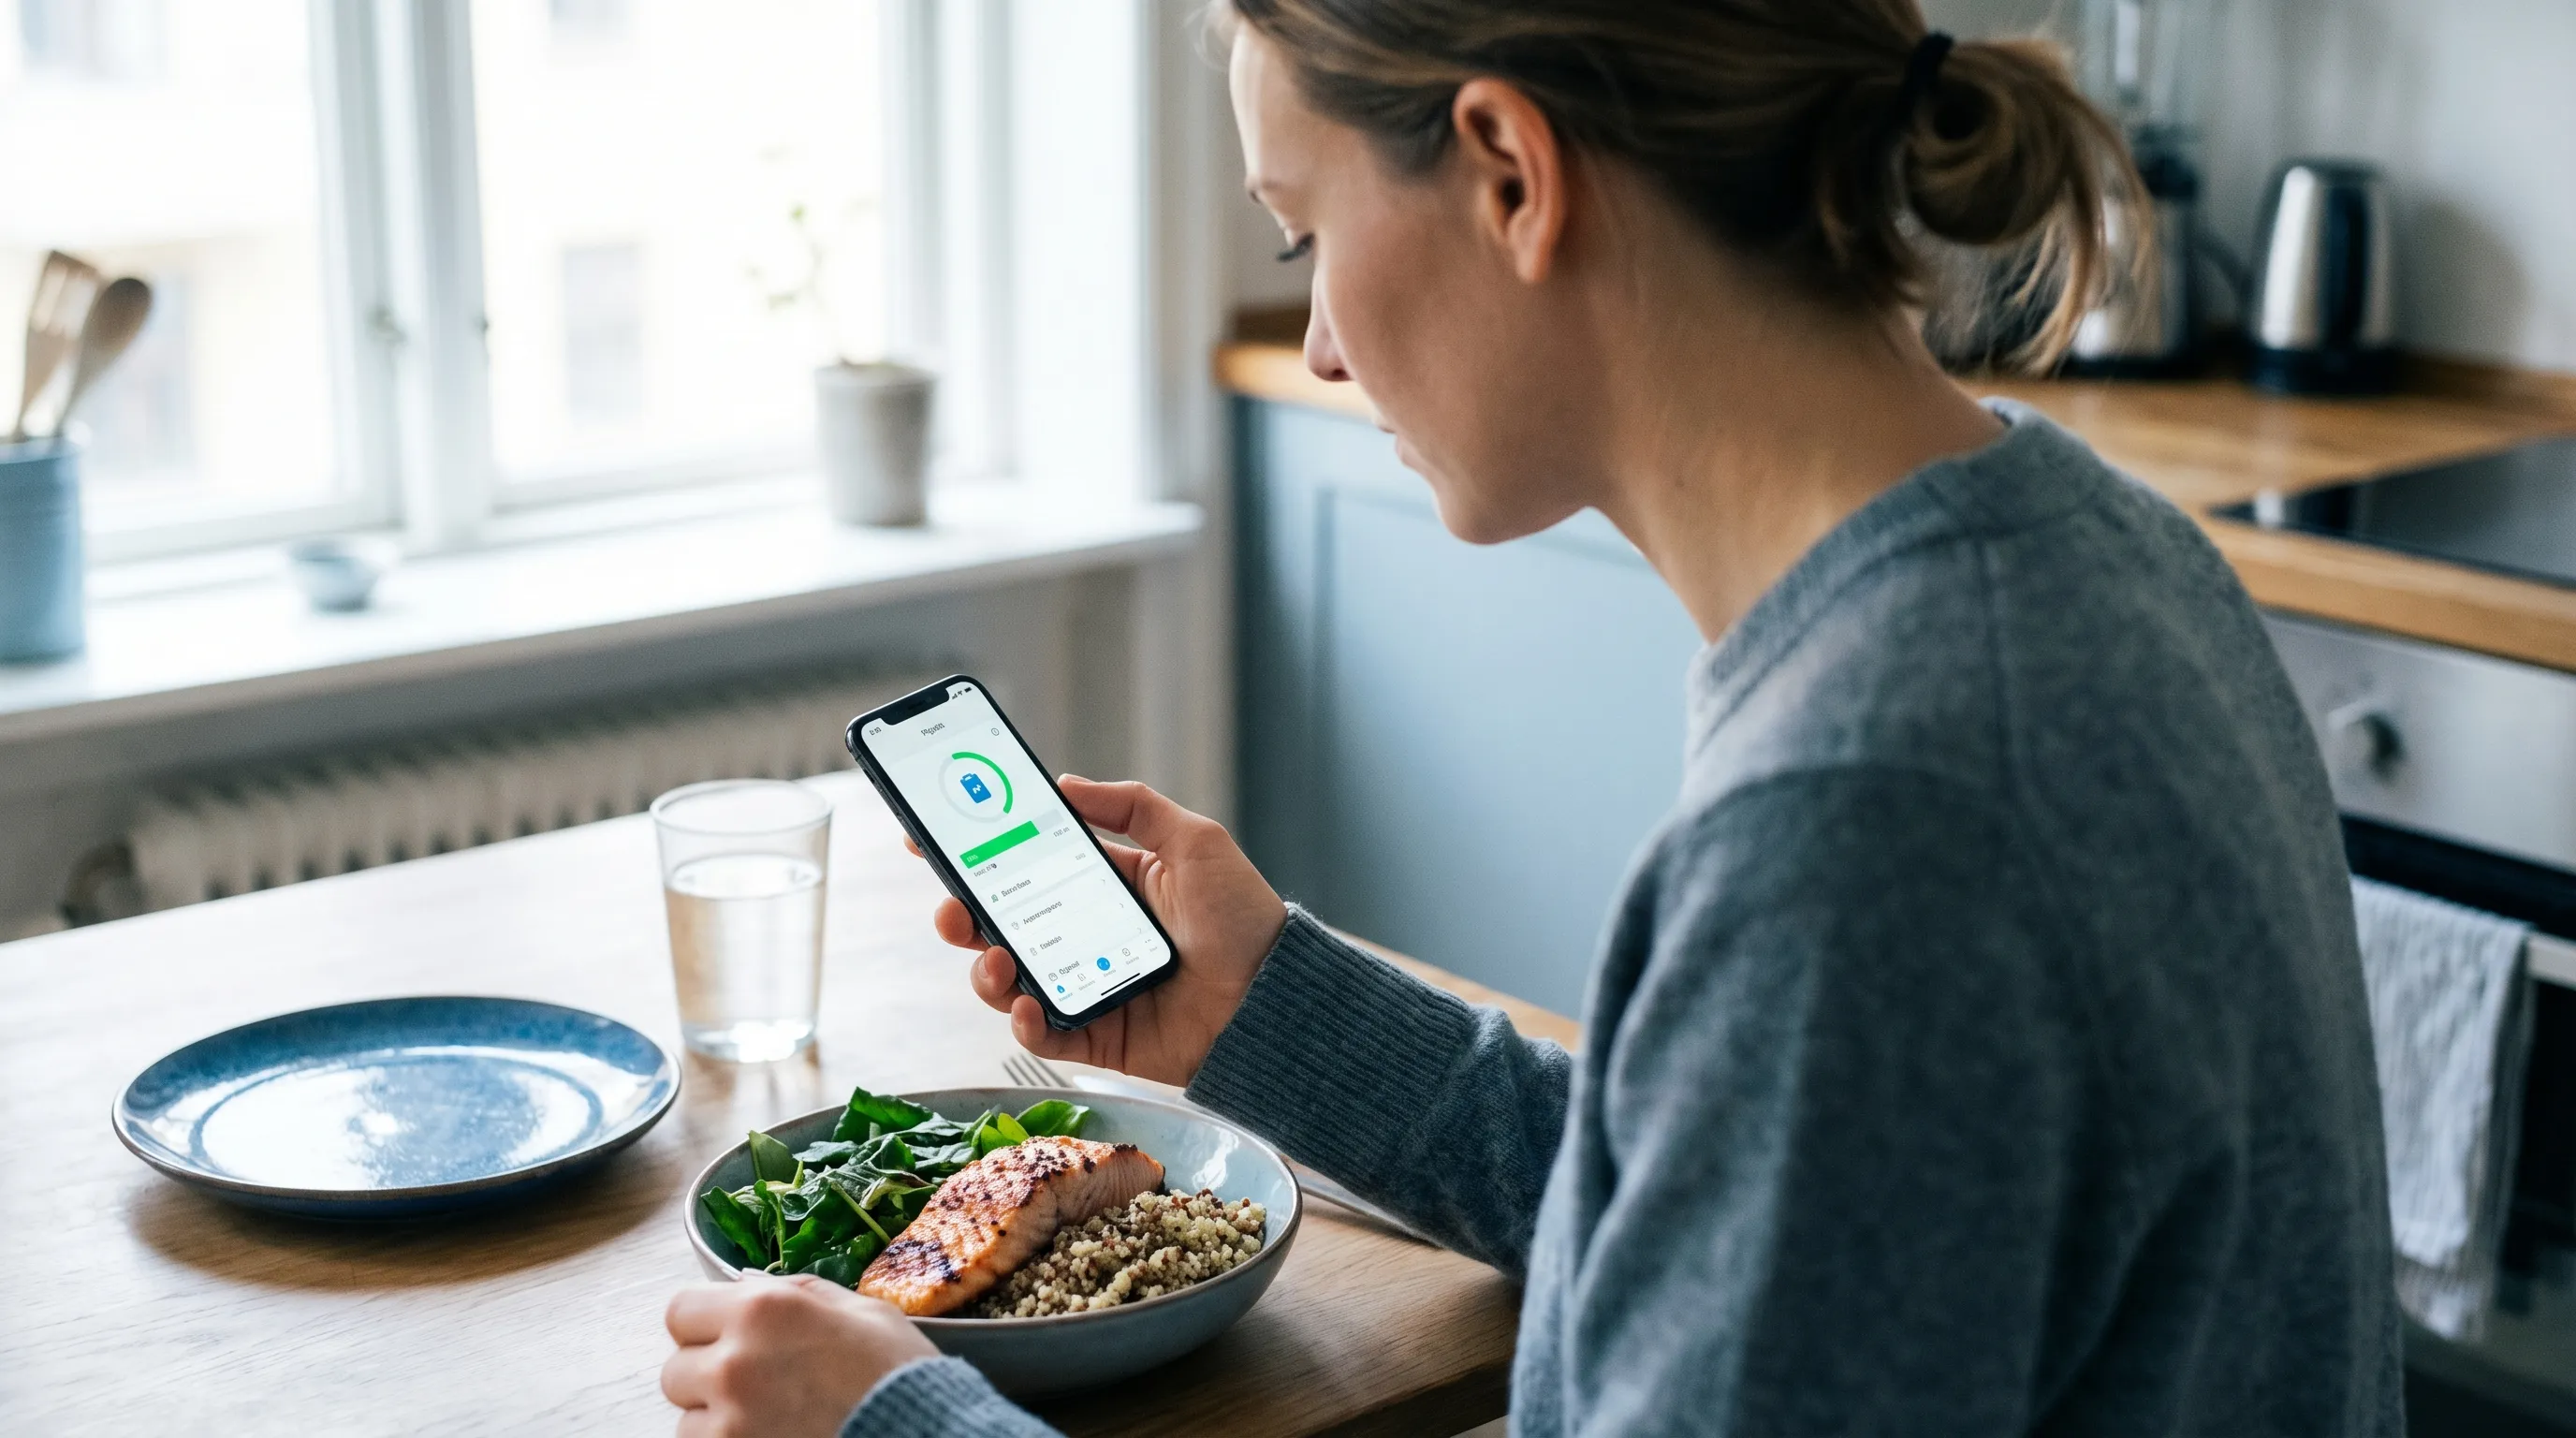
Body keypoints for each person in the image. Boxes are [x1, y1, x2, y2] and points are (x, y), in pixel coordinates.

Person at [661, 0, 2405, 1433]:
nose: (1320, 343)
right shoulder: (2102, 555)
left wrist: (901, 1424)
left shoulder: (1866, 818)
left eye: (1306, 234)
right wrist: (1272, 1008)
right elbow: (1773, 1226)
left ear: (1510, 171)